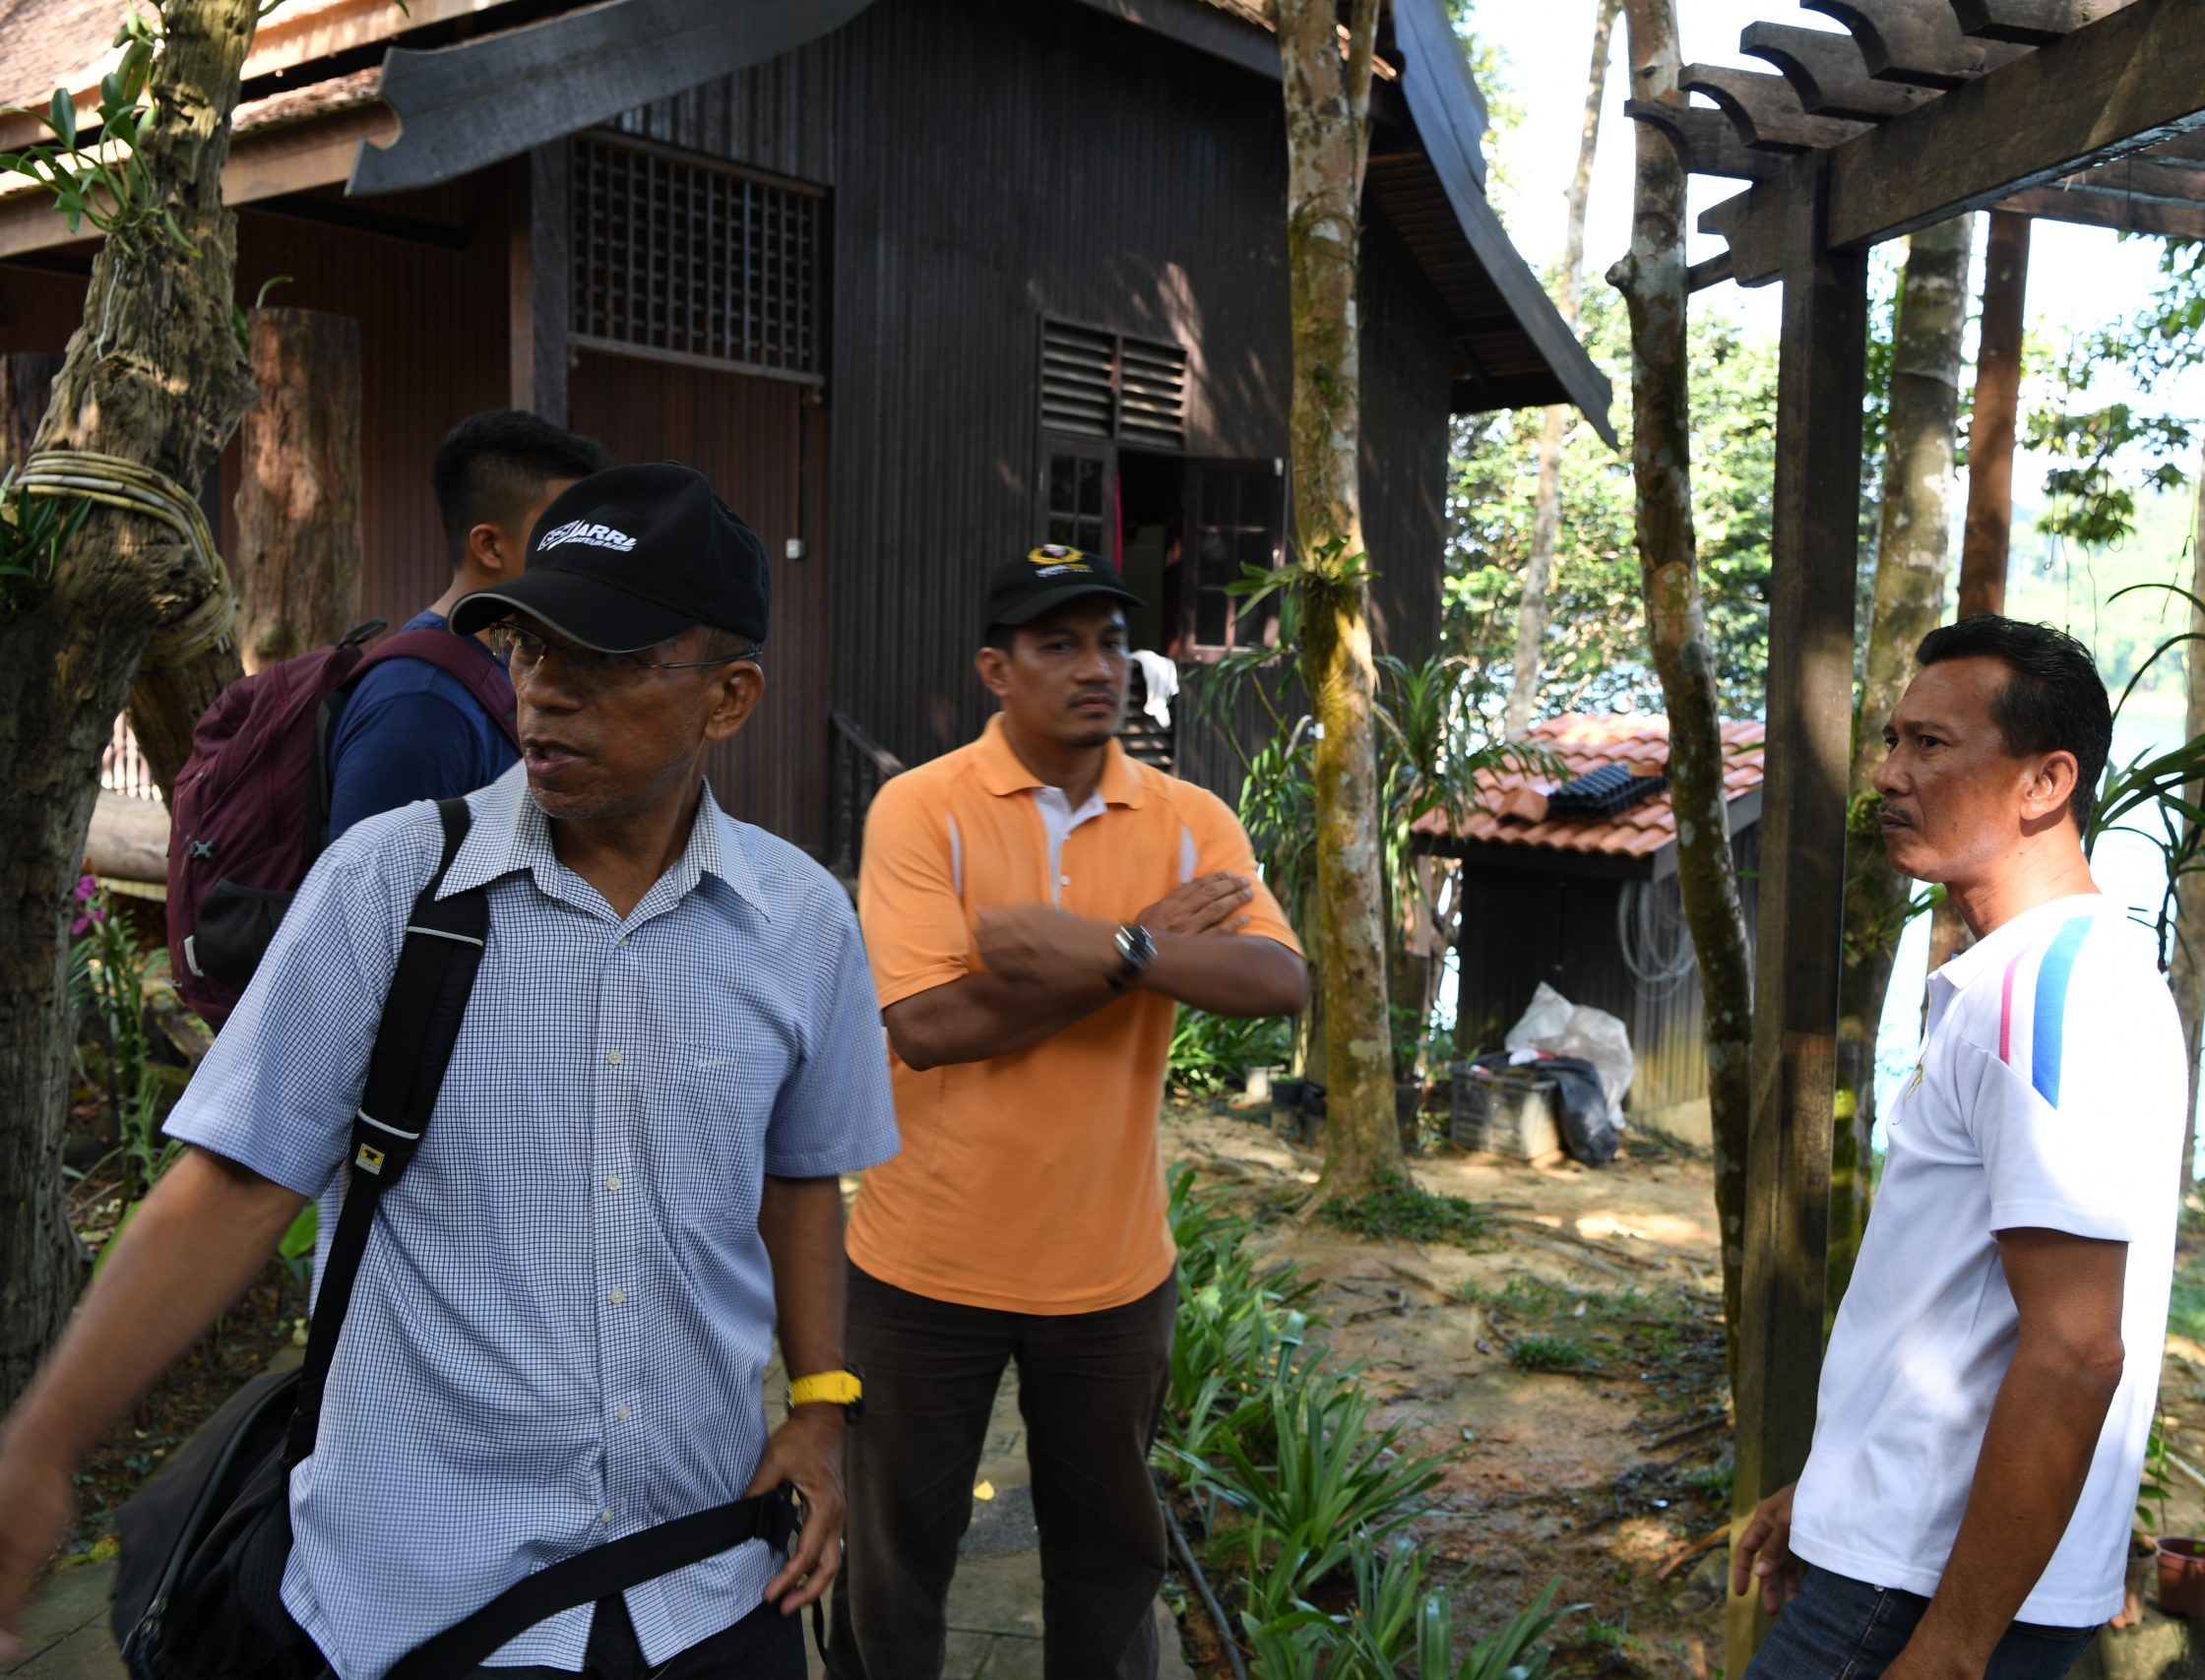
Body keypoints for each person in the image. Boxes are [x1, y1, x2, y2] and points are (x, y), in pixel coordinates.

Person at [0, 463, 897, 1680]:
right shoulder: (389, 888)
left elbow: (799, 1179)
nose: (546, 693)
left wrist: (821, 1404)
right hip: (424, 1603)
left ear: (727, 699)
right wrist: (41, 1449)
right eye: (531, 650)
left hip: (709, 1579)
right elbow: (233, 1188)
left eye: (604, 659)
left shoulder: (800, 925)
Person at [841, 543, 1308, 1680]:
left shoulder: (1189, 818)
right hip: (922, 1266)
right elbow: (928, 1026)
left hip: (1110, 1272)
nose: (1096, 667)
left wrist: (1111, 944)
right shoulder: (921, 809)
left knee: (1108, 1571)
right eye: (1058, 644)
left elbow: (1278, 982)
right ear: (995, 670)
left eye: (1111, 642)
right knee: (892, 1565)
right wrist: (1145, 955)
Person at [1730, 615, 2186, 1679]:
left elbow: (2076, 1351)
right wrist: (1834, 1489)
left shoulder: (2044, 999)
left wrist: (1949, 1648)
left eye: (1930, 745)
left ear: (2046, 782)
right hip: (1907, 1564)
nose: (1888, 775)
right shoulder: (2041, 980)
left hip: (1919, 1596)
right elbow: (1958, 1310)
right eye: (1893, 741)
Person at [325, 410, 607, 839]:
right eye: (560, 532)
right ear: (490, 546)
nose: (585, 550)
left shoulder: (510, 657)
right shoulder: (418, 700)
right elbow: (366, 875)